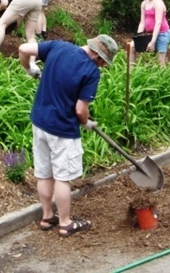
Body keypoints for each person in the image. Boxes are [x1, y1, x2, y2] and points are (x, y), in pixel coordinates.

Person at [18, 34, 119, 237]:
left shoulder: (58, 46)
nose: (102, 67)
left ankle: (47, 217)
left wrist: (29, 68)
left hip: (40, 122)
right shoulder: (91, 71)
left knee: (44, 173)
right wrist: (86, 122)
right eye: (103, 63)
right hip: (62, 130)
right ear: (97, 56)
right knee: (62, 178)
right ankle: (65, 223)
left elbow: (23, 49)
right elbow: (80, 110)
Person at [128, 0, 170, 67]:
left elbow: (158, 23)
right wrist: (138, 38)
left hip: (162, 34)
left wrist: (152, 41)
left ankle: (164, 78)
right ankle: (131, 73)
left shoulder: (158, 3)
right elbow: (142, 22)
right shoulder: (144, 3)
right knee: (132, 46)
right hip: (150, 33)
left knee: (160, 60)